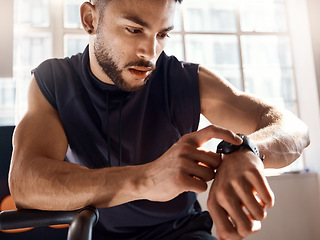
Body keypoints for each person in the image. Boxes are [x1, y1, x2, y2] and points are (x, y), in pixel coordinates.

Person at [9, 0, 310, 239]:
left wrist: (248, 150)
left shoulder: (182, 79)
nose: (150, 52)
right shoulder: (53, 81)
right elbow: (26, 185)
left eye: (162, 34)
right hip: (94, 231)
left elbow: (295, 129)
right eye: (134, 30)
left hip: (182, 233)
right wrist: (147, 178)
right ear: (90, 19)